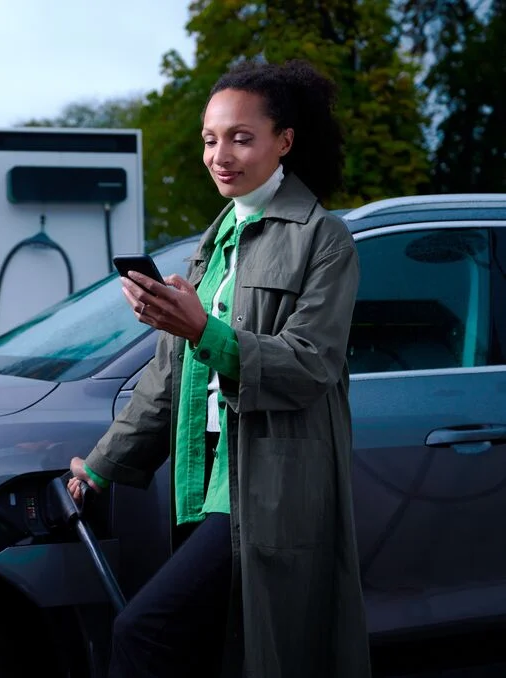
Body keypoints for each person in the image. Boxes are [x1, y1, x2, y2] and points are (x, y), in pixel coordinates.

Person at [68, 59, 372, 678]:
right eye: (210, 139)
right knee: (214, 656)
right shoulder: (216, 241)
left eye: (240, 136)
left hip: (264, 488)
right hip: (202, 481)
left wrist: (202, 329)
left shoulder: (325, 240)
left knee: (144, 632)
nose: (220, 154)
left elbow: (311, 365)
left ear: (284, 141)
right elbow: (169, 377)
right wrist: (101, 465)